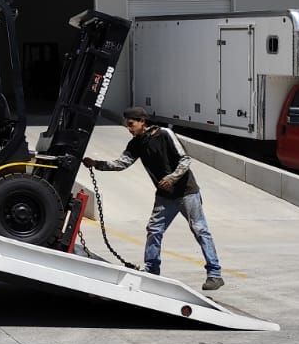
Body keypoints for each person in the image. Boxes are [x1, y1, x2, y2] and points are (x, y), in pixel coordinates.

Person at [83, 107, 223, 291]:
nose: (129, 128)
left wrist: (172, 177)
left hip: (187, 192)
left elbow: (185, 159)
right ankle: (152, 271)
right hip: (165, 196)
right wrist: (97, 164)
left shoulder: (165, 134)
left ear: (143, 121)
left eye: (131, 124)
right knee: (154, 230)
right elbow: (121, 163)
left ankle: (214, 274)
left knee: (200, 230)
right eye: (127, 125)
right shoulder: (136, 144)